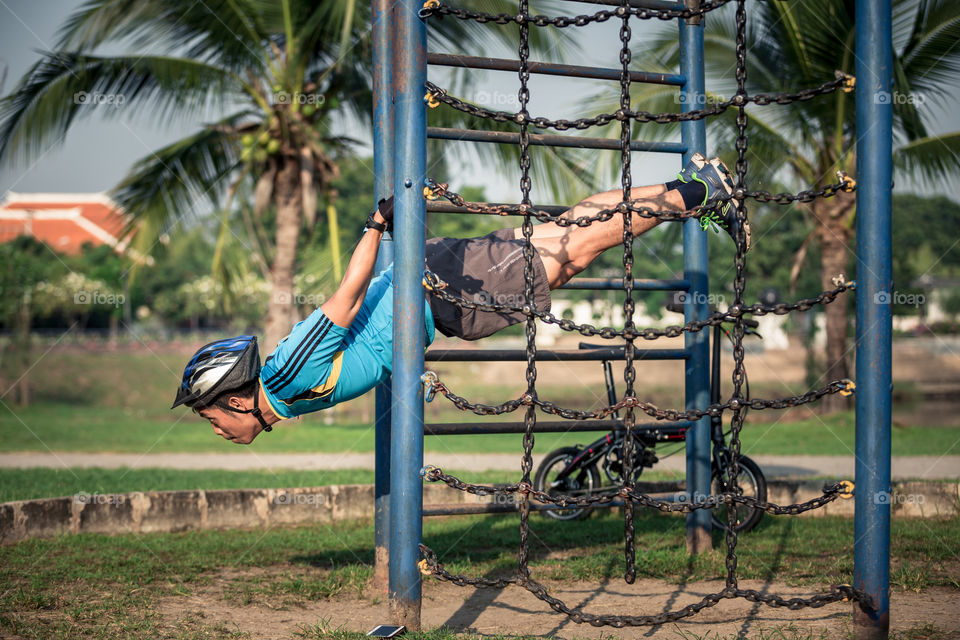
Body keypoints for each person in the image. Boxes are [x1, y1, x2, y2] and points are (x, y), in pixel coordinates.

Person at [172, 154, 748, 444]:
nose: (218, 430)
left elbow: (345, 299)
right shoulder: (287, 397)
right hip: (441, 293)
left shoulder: (287, 373)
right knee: (568, 233)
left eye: (213, 417)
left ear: (239, 399)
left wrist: (377, 224)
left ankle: (701, 193)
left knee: (574, 247)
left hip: (442, 290)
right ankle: (695, 183)